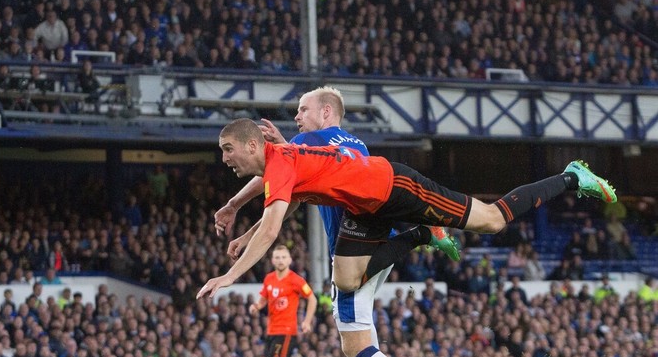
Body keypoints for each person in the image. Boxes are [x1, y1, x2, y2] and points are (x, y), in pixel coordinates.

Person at [198, 117, 616, 299]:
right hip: (366, 208)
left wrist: (230, 276)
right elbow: (286, 206)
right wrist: (243, 226)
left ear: (252, 144)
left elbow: (273, 227)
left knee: (490, 221)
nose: (224, 158)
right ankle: (422, 233)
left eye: (227, 149)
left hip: (396, 187)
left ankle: (572, 176)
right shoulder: (280, 162)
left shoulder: (281, 160)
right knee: (345, 282)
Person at [213, 87, 457, 357]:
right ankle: (421, 234)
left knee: (354, 343)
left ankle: (423, 234)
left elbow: (276, 172)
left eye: (304, 109)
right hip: (380, 242)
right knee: (362, 332)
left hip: (352, 251)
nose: (297, 115)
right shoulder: (357, 143)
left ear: (326, 112)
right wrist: (247, 233)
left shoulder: (309, 140)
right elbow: (293, 193)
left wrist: (234, 204)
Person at [249, 245, 315, 357]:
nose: (280, 260)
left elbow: (312, 299)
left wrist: (307, 322)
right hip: (271, 329)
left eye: (284, 257)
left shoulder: (296, 280)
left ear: (289, 260)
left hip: (286, 330)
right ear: (272, 260)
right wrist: (256, 306)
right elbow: (263, 299)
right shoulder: (269, 278)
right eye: (277, 257)